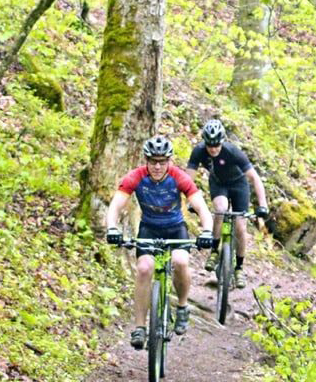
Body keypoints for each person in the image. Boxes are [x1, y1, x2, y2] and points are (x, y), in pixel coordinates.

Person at [104, 135, 215, 350]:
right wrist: (111, 228)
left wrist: (207, 231)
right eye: (153, 161)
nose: (157, 166)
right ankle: (139, 328)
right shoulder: (136, 177)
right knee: (144, 268)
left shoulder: (178, 177)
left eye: (162, 161)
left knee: (180, 261)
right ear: (146, 160)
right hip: (149, 228)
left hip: (175, 228)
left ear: (169, 161)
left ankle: (182, 307)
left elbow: (201, 208)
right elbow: (116, 205)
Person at [185, 119, 268, 289]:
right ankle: (214, 251)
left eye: (216, 145)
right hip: (218, 183)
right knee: (220, 210)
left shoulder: (232, 152)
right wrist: (190, 200)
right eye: (210, 145)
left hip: (239, 185)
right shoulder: (199, 151)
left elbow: (254, 178)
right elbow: (188, 179)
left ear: (222, 141)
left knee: (240, 227)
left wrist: (263, 204)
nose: (213, 149)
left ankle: (239, 267)